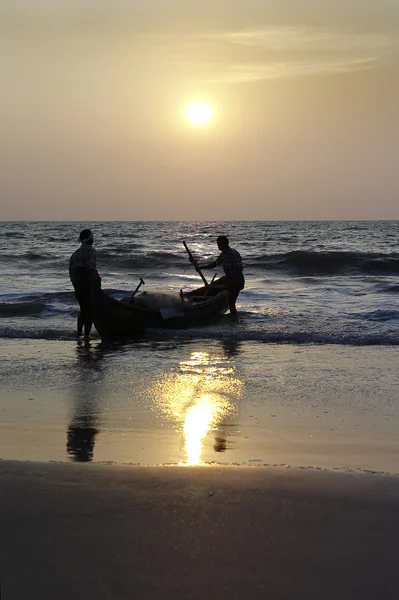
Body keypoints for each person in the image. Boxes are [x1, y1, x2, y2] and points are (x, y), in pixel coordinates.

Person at [193, 236, 245, 315]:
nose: (218, 246)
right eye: (218, 245)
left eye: (219, 245)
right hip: (228, 279)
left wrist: (230, 279)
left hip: (236, 281)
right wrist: (201, 267)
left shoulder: (232, 253)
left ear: (225, 244)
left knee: (231, 302)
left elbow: (239, 268)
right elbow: (215, 264)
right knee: (213, 286)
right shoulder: (223, 254)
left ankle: (233, 321)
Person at [69, 229, 98, 337]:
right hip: (87, 285)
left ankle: (78, 333)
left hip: (77, 286)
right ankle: (86, 335)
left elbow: (71, 273)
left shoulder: (74, 254)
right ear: (90, 239)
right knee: (89, 311)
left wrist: (77, 285)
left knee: (83, 309)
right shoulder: (90, 251)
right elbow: (91, 269)